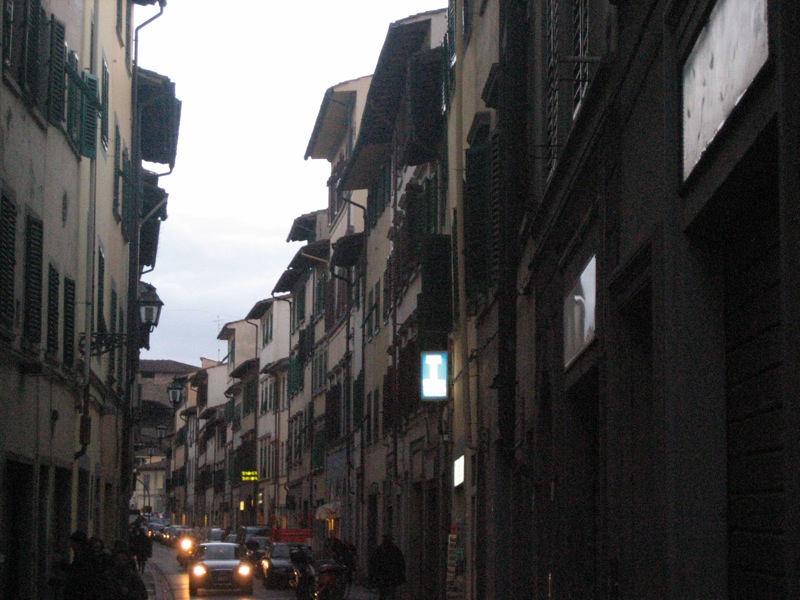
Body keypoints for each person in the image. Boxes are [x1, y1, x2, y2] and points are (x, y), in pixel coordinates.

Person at [64, 530, 99, 600]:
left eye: (73, 543)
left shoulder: (86, 558)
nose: (71, 546)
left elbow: (79, 574)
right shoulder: (80, 555)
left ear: (79, 543)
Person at [368, 534, 406, 600]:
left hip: (384, 577)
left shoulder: (379, 550)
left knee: (384, 593)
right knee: (389, 593)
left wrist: (372, 577)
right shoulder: (395, 550)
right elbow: (401, 564)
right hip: (390, 577)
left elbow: (373, 564)